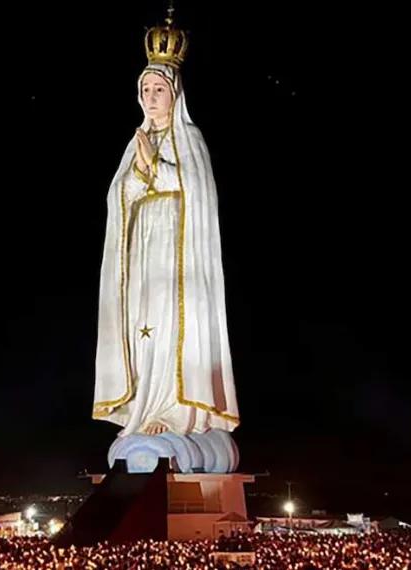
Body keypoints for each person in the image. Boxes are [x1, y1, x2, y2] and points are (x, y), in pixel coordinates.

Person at [93, 15, 239, 437]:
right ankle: (144, 404)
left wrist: (153, 167)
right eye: (146, 90)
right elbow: (118, 197)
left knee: (173, 326)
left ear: (175, 94)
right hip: (144, 256)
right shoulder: (135, 142)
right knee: (144, 329)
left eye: (159, 90)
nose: (151, 97)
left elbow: (197, 193)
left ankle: (176, 411)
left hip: (178, 258)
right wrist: (139, 171)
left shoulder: (190, 138)